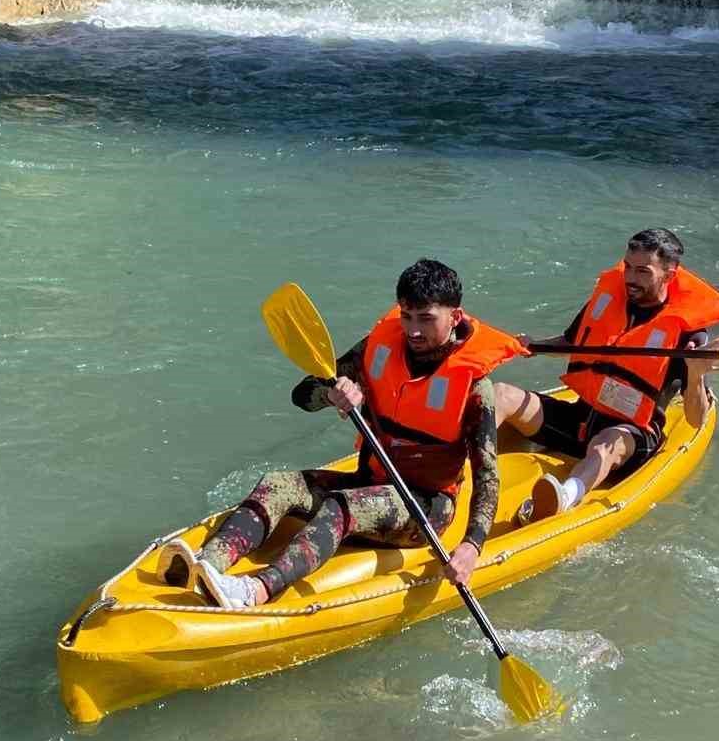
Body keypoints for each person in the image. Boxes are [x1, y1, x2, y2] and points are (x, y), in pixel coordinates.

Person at [156, 259, 524, 610]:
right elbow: (303, 397)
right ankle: (209, 562)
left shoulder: (475, 388)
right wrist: (331, 392)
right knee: (278, 483)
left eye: (426, 319)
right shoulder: (378, 348)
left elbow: (487, 476)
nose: (413, 330)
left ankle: (257, 590)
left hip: (424, 507)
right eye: (406, 316)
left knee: (341, 507)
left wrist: (472, 546)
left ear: (455, 316)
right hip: (371, 480)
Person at [494, 228, 719, 520]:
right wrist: (531, 345)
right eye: (628, 267)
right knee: (500, 395)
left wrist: (695, 374)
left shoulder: (688, 334)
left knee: (605, 443)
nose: (631, 278)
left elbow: (697, 419)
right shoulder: (609, 299)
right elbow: (573, 343)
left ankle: (565, 496)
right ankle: (451, 469)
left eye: (643, 271)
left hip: (630, 435)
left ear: (669, 275)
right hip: (581, 419)